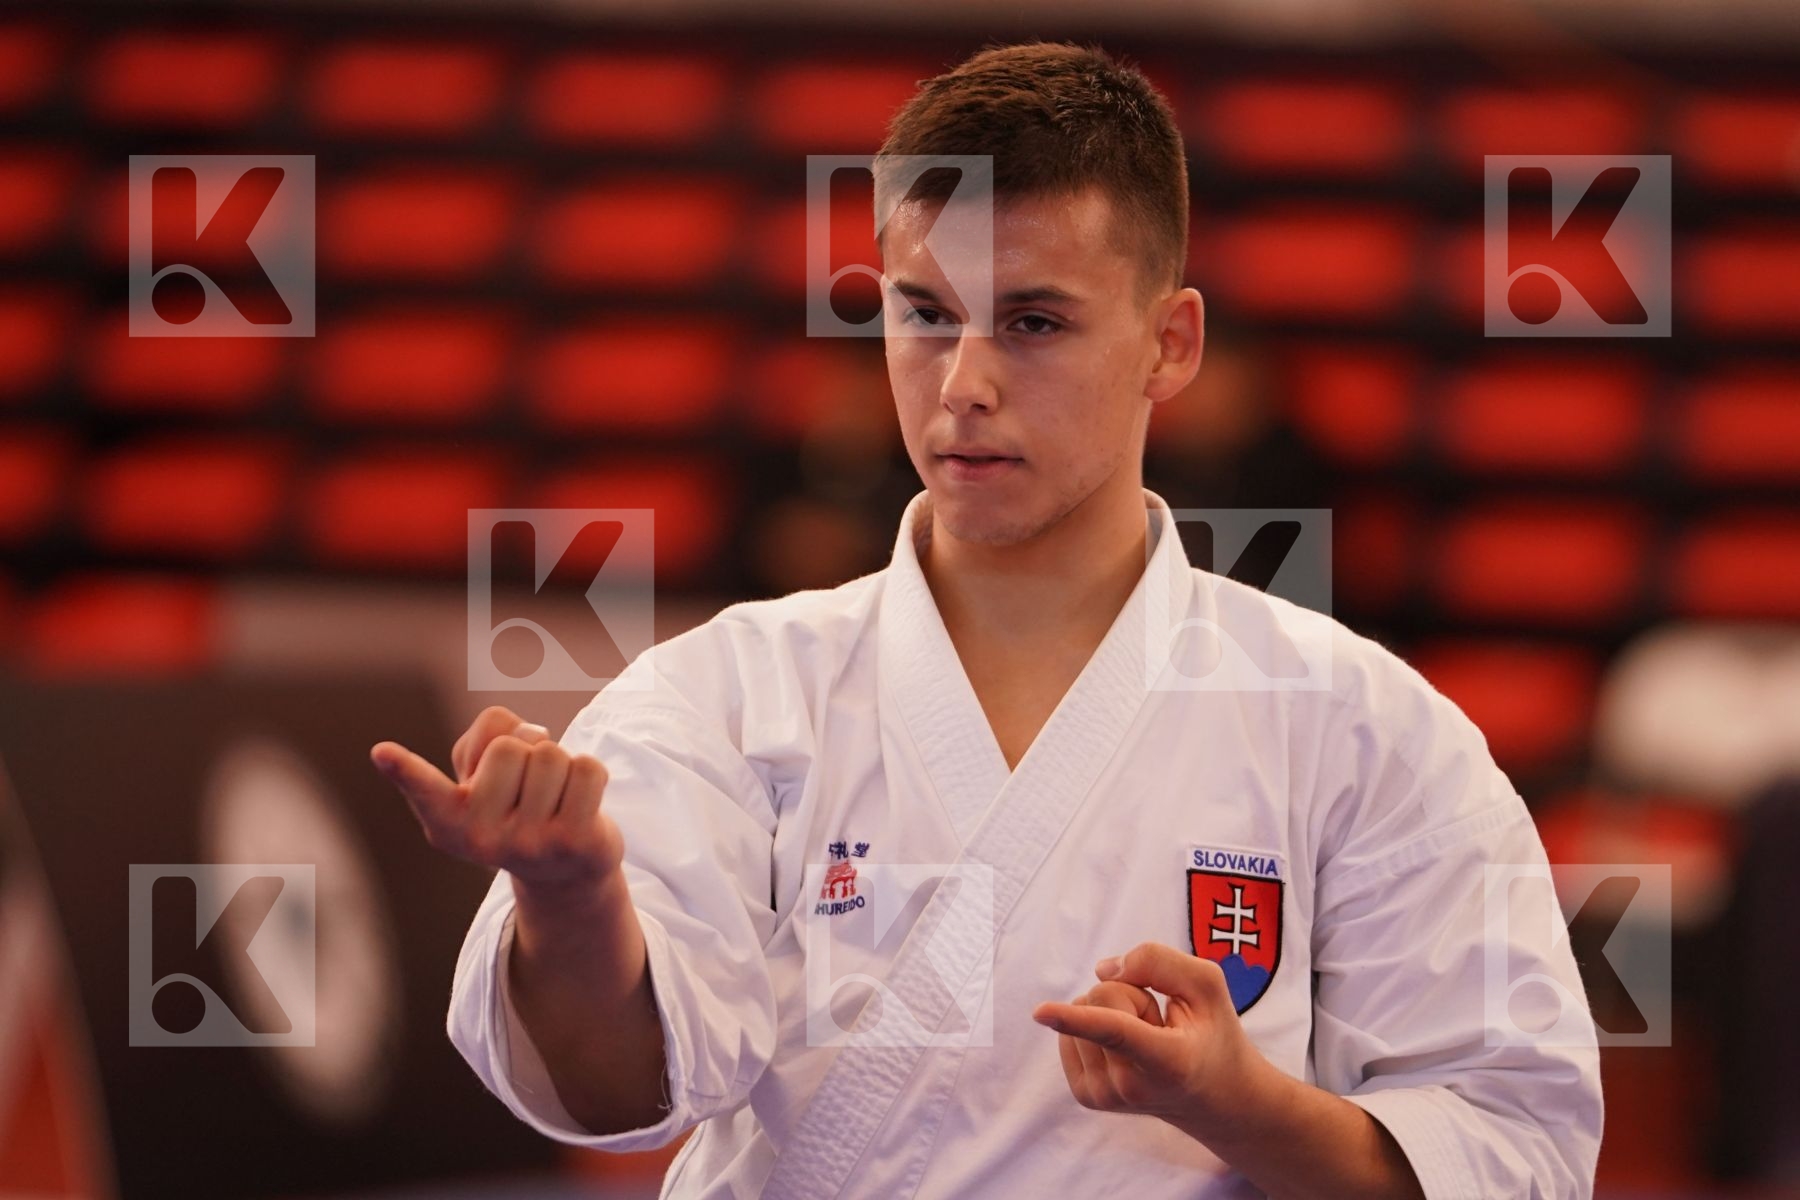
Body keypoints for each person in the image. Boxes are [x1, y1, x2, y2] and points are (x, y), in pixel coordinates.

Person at [371, 41, 1602, 1199]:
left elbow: (1511, 1143)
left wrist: (1246, 1107)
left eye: (1034, 321)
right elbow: (607, 1093)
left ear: (1169, 345)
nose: (961, 382)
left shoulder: (1363, 725)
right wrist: (574, 902)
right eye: (922, 313)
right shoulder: (723, 694)